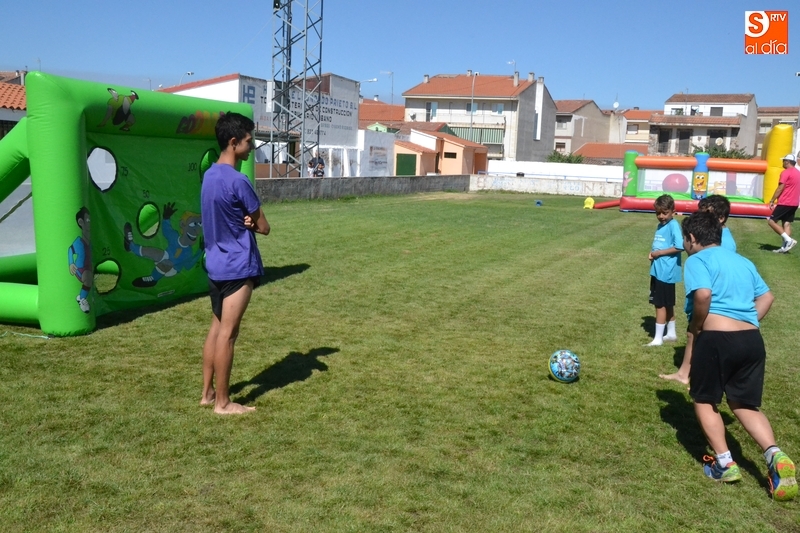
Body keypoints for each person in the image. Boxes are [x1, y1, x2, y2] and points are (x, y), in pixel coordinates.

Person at [681, 211, 796, 500]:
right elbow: (767, 296)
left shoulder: (697, 260)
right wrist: (747, 322)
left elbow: (703, 295)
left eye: (684, 239)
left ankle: (724, 463)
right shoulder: (743, 261)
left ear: (692, 238)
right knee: (744, 403)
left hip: (716, 339)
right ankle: (774, 453)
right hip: (751, 340)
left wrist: (697, 326)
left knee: (704, 398)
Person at [200, 112, 270, 415]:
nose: (251, 146)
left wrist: (245, 220)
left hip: (215, 266)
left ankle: (207, 394)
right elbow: (264, 227)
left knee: (216, 329)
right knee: (228, 335)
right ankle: (223, 403)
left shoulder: (208, 176)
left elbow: (227, 215)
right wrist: (252, 222)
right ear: (233, 142)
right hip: (237, 267)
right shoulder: (239, 180)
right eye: (248, 141)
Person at [660, 194, 736, 384]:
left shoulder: (724, 242)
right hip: (700, 296)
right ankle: (684, 373)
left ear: (721, 218)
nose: (701, 218)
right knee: (692, 334)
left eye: (706, 214)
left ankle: (702, 377)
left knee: (703, 338)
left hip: (711, 302)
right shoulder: (708, 236)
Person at [646, 194, 683, 346]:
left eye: (665, 213)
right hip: (658, 269)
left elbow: (679, 246)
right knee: (667, 303)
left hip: (666, 271)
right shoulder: (661, 225)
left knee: (659, 304)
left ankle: (658, 338)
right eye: (658, 213)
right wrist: (653, 253)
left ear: (673, 211)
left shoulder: (673, 225)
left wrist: (659, 253)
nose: (661, 216)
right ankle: (671, 333)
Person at [767, 154, 800, 253]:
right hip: (794, 203)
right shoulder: (798, 173)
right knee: (786, 223)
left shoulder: (785, 172)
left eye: (783, 161)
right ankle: (784, 248)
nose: (782, 162)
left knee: (771, 221)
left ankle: (789, 240)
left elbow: (780, 188)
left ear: (787, 162)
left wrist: (772, 200)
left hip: (785, 202)